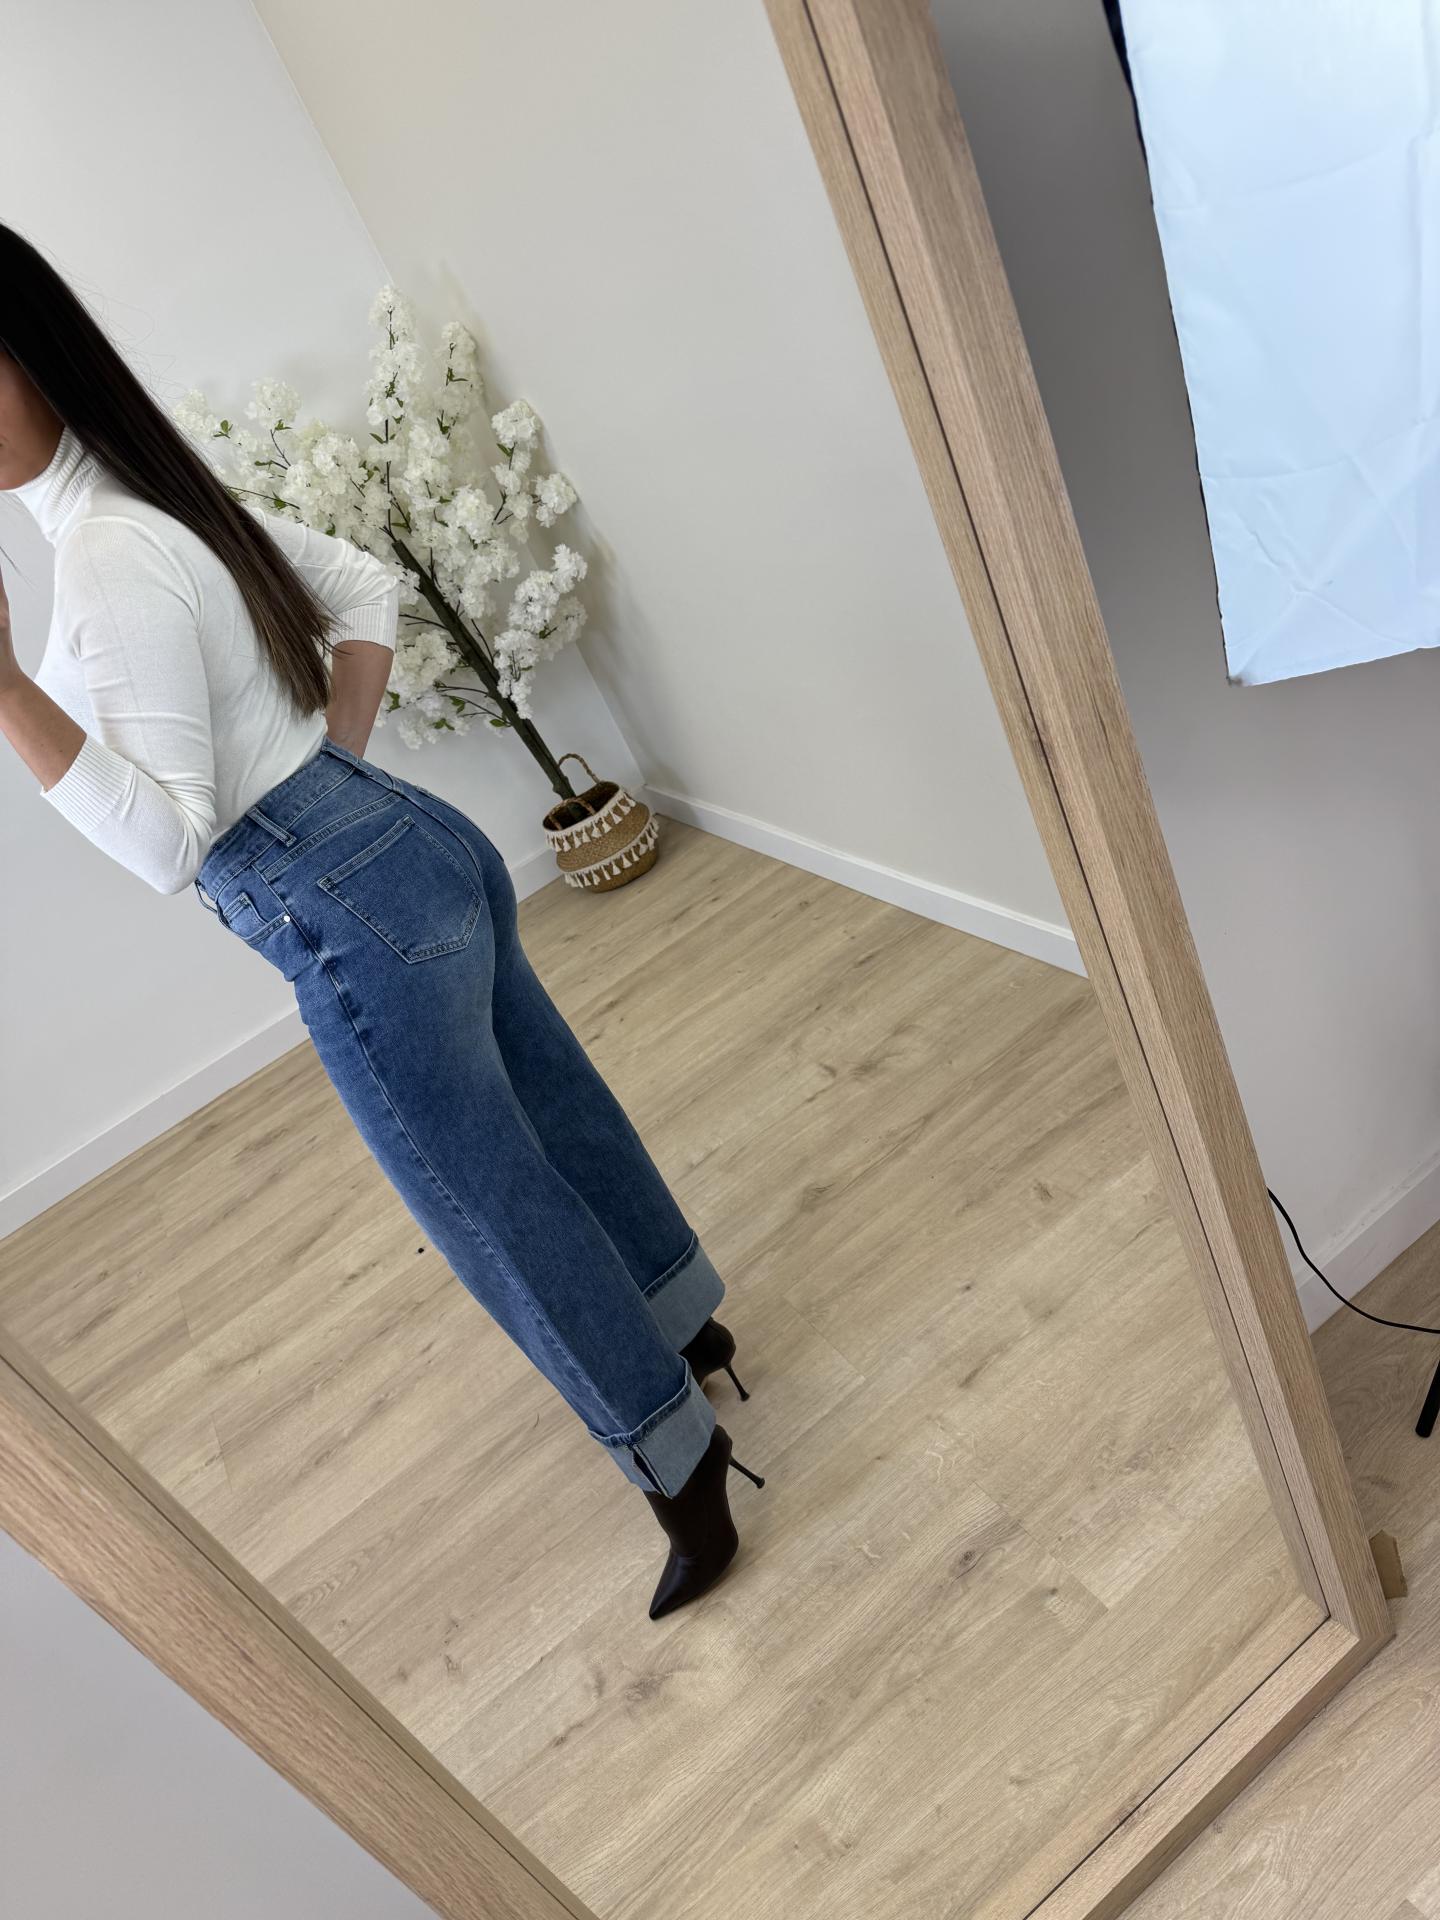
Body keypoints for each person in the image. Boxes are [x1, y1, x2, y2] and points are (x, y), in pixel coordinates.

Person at [0, 222, 763, 1620]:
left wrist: (4, 691)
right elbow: (361, 589)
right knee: (550, 1105)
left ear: (27, 364)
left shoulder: (104, 556)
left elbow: (169, 845)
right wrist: (336, 776)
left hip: (351, 912)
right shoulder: (151, 495)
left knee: (486, 1203)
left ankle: (679, 1463)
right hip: (417, 848)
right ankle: (685, 1325)